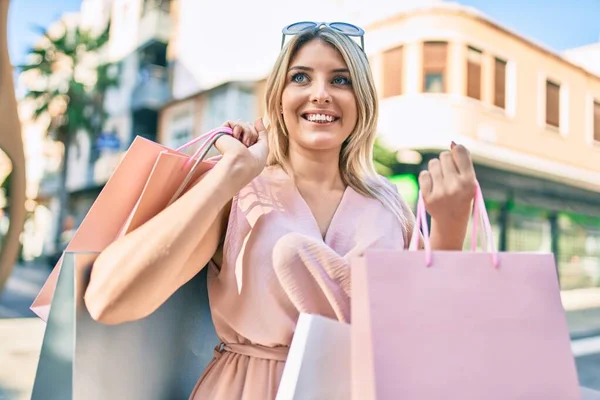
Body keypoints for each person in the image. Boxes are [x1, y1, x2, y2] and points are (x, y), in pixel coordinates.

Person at [84, 21, 477, 399]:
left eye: (340, 79)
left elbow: (426, 336)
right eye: (301, 77)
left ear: (362, 99)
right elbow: (107, 300)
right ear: (278, 97)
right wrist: (228, 177)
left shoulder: (391, 206)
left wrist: (451, 227)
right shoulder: (241, 192)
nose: (321, 93)